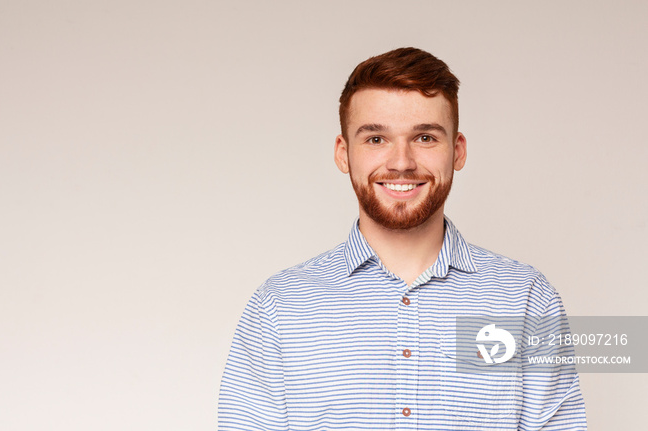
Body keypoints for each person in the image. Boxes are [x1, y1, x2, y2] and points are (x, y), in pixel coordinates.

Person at [218, 47, 587, 430]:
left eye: (425, 137)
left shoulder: (525, 299)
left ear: (457, 151)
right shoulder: (279, 308)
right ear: (343, 154)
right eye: (376, 139)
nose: (401, 162)